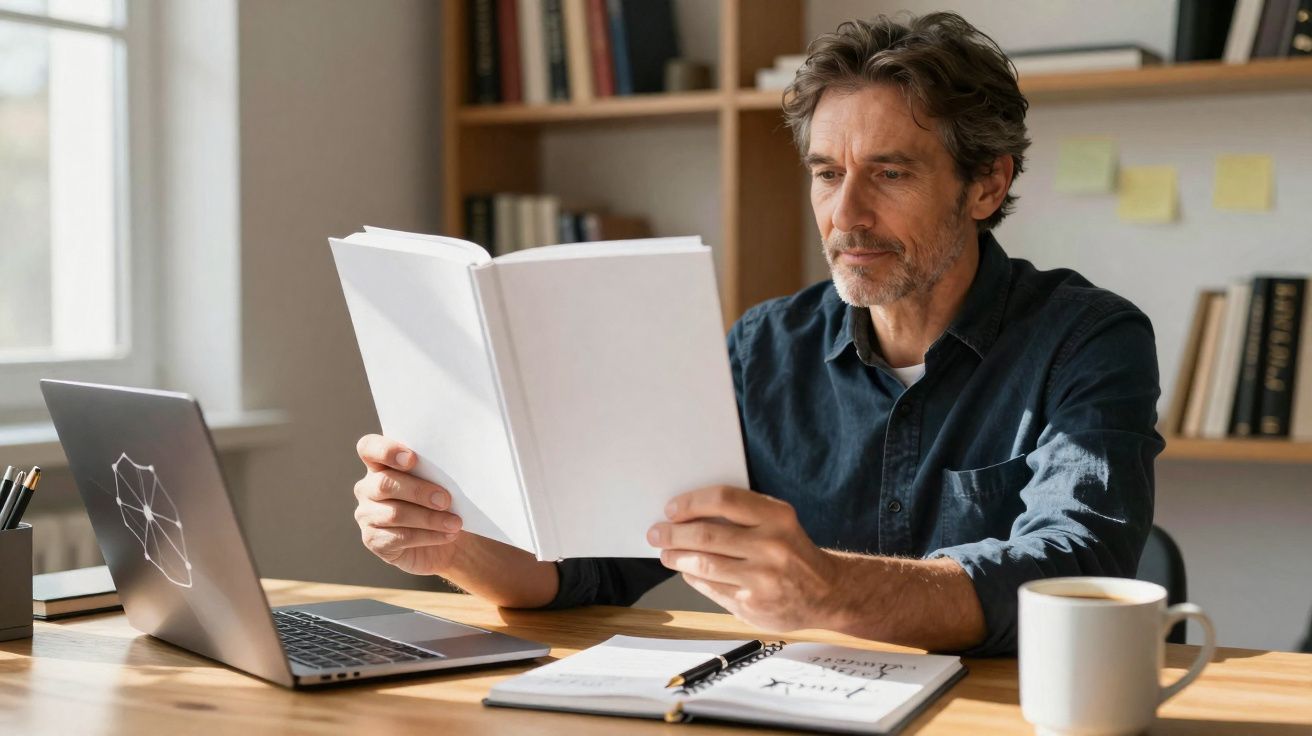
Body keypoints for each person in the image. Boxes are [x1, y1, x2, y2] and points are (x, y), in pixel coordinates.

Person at [350, 12, 1162, 656]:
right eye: (826, 173)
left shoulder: (1088, 340)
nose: (846, 216)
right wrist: (448, 542)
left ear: (987, 184)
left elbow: (1077, 570)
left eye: (890, 172)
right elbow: (595, 568)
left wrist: (830, 588)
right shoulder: (764, 348)